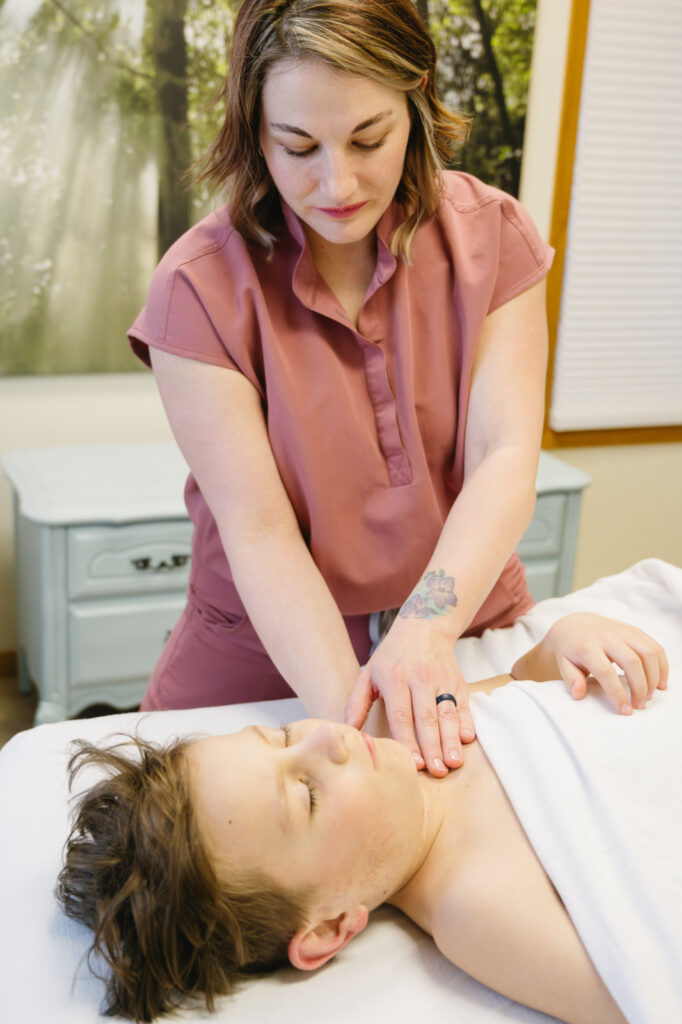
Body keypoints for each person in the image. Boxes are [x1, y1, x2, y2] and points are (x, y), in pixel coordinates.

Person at [128, 0, 555, 776]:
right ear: (255, 128)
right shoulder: (198, 289)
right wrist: (358, 735)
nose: (337, 183)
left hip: (464, 623)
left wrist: (422, 635)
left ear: (416, 95)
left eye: (369, 138)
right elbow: (259, 532)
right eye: (297, 146)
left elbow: (504, 454)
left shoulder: (493, 237)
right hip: (265, 659)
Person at [56, 613, 673, 1024]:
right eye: (307, 797)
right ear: (327, 929)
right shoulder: (472, 907)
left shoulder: (407, 727)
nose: (329, 740)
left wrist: (565, 641)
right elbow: (643, 989)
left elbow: (520, 680)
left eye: (283, 735)